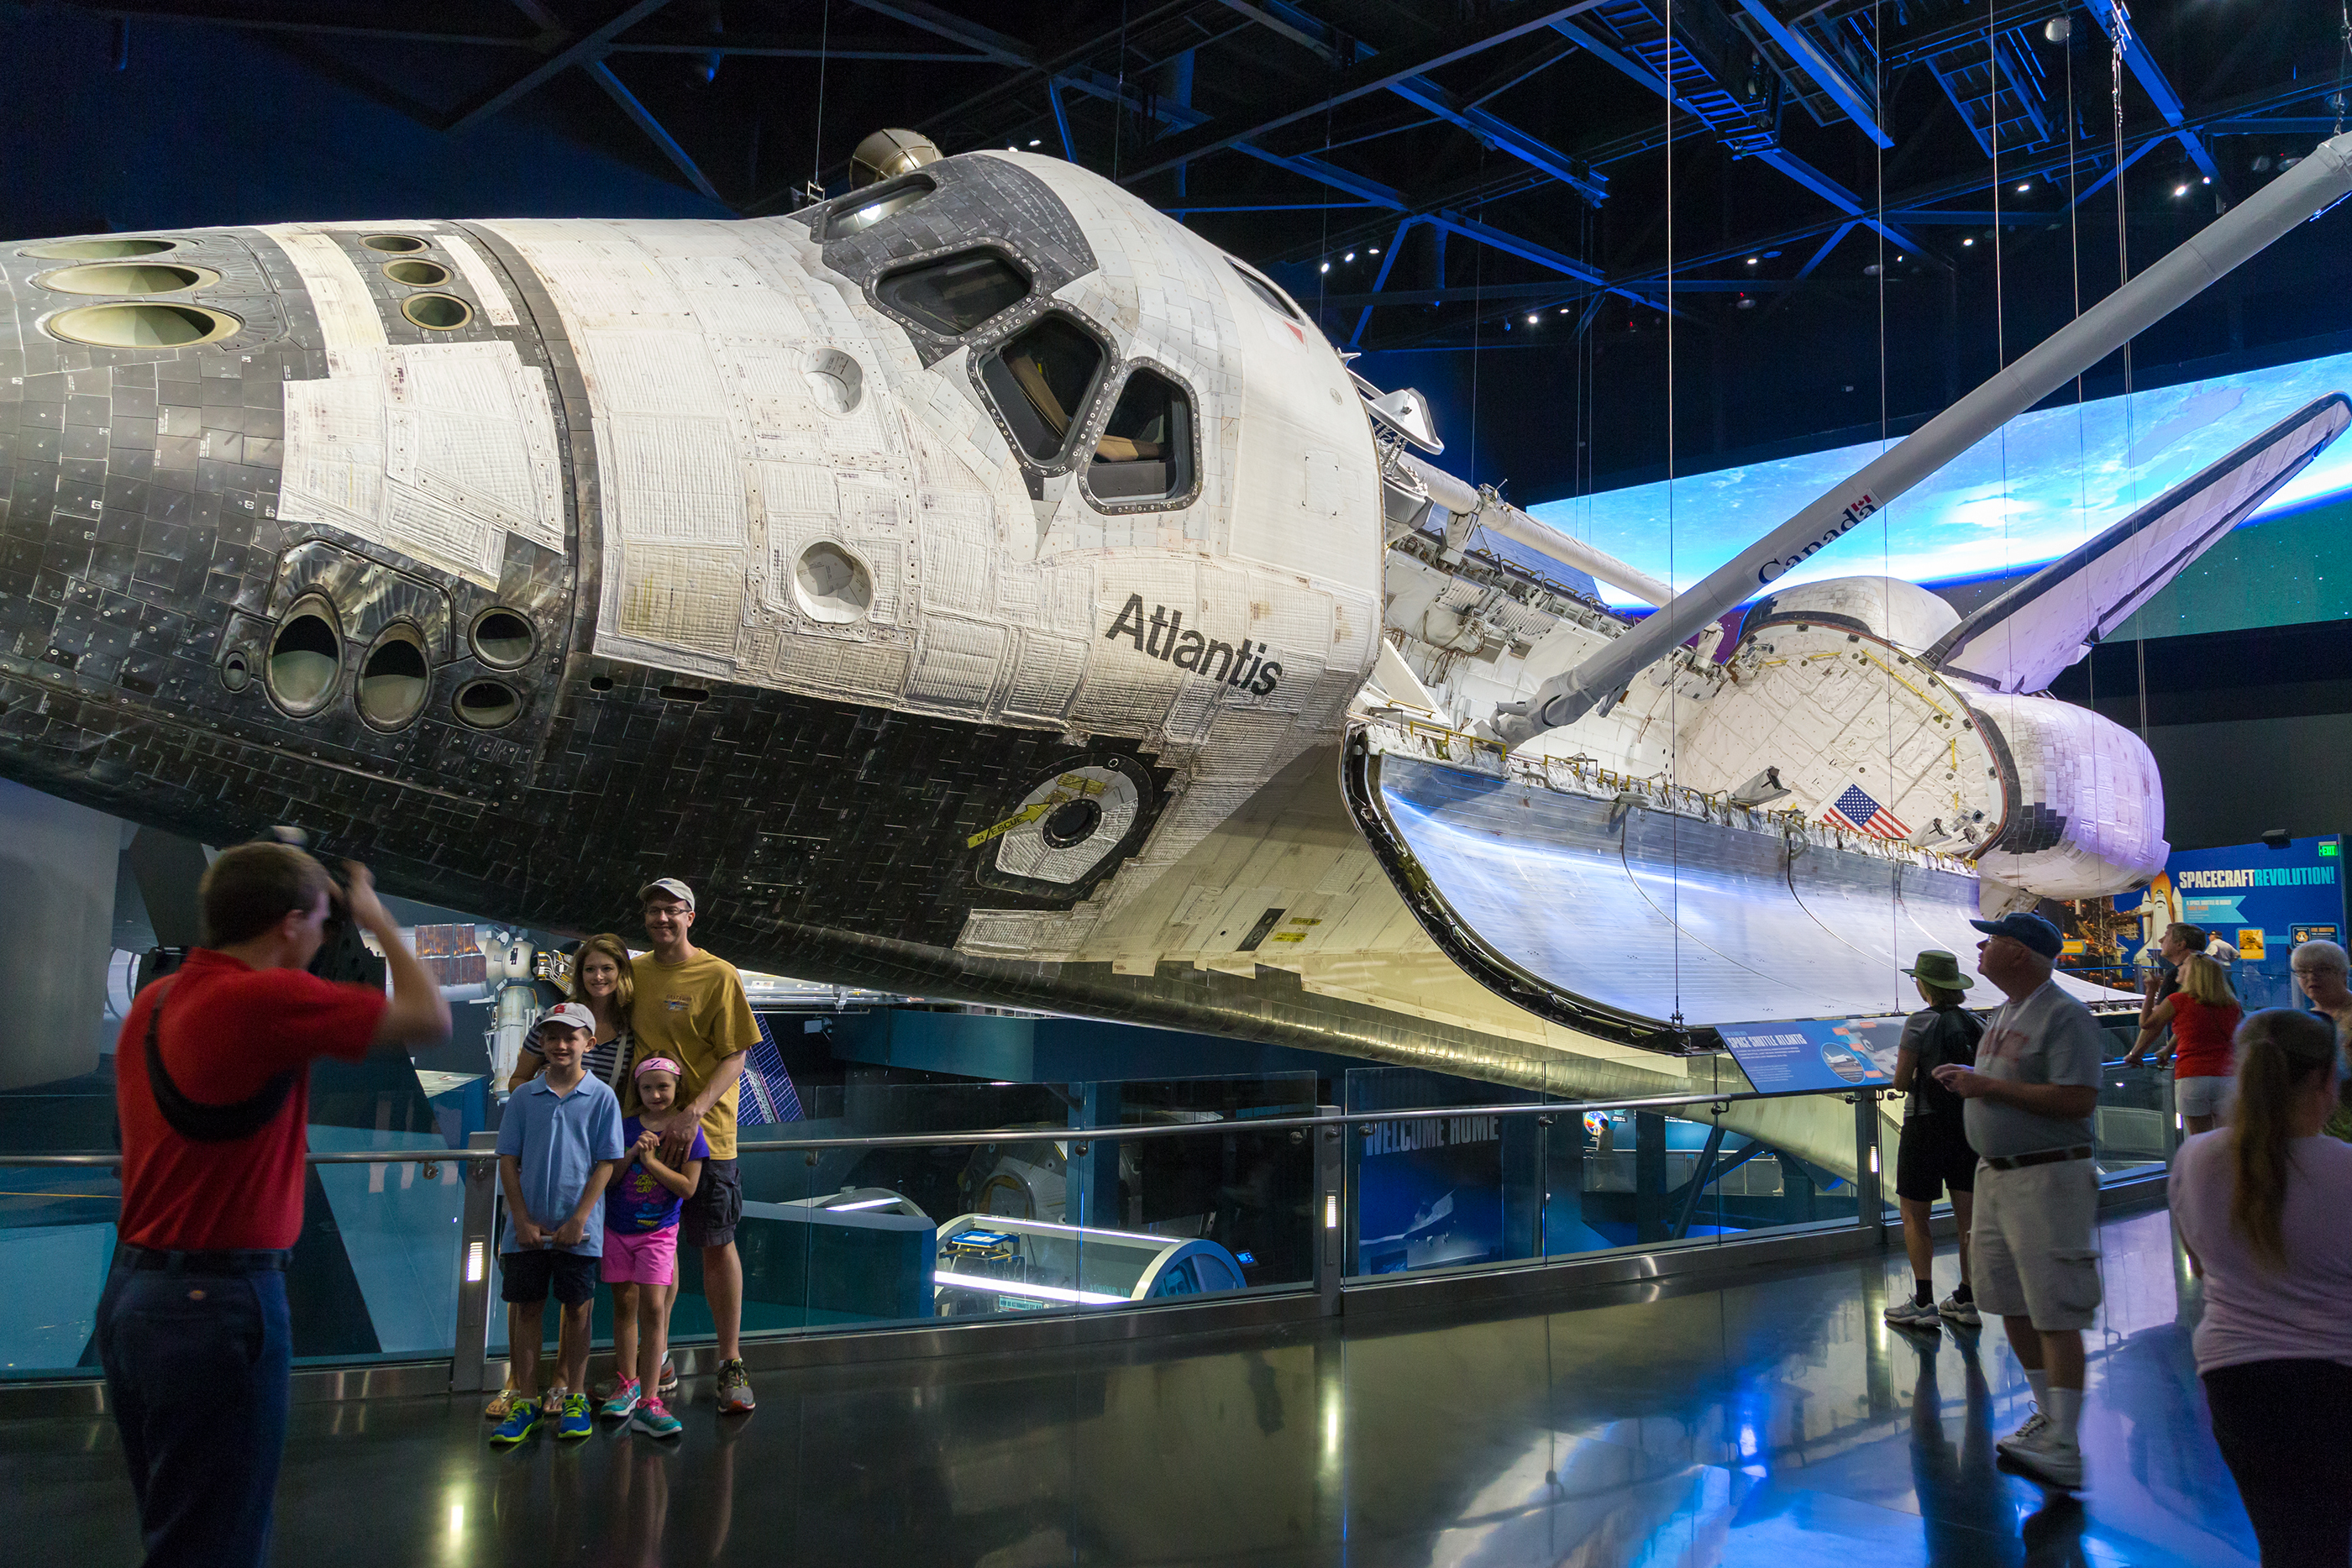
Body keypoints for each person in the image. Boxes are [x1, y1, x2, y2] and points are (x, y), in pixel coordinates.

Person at [99, 845, 449, 1567]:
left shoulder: (153, 1003)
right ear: (290, 923)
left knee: (180, 1530)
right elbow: (428, 1015)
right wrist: (376, 913)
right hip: (220, 1307)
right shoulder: (262, 1000)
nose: (327, 938)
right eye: (325, 922)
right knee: (220, 1544)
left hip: (135, 1297)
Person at [2168, 1008, 2352, 1566]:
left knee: (2290, 1543)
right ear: (2326, 1079)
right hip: (2338, 1375)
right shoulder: (2345, 1168)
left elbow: (2199, 1264)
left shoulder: (2196, 1158)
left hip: (2236, 1377)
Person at [1932, 910, 2107, 1492]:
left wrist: (1985, 1086)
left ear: (2020, 953)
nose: (1980, 948)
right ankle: (2047, 1416)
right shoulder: (2004, 1013)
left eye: (1993, 940)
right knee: (2007, 1297)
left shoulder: (2066, 1015)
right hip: (1997, 1178)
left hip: (2048, 1179)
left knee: (2055, 1305)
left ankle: (2068, 1442)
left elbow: (2078, 1098)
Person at [628, 878, 762, 1414]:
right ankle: (657, 1360)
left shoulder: (718, 975)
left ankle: (730, 1362)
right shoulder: (634, 974)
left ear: (690, 917)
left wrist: (694, 1112)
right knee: (659, 1248)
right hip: (649, 1139)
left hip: (709, 1139)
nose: (661, 919)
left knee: (714, 1242)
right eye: (653, 911)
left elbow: (736, 1055)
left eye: (671, 911)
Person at [490, 1001, 626, 1447]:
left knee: (579, 1309)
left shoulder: (602, 1097)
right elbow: (508, 1161)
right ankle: (526, 1399)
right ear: (541, 1043)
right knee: (528, 1308)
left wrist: (580, 1218)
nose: (561, 1045)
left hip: (578, 1231)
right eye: (552, 1036)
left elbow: (607, 1161)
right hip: (526, 1231)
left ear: (589, 1042)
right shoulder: (525, 1097)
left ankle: (572, 1396)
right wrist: (521, 1219)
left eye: (571, 1036)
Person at [598, 1056, 708, 1438]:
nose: (656, 1094)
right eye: (647, 1087)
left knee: (654, 1310)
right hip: (618, 1229)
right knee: (624, 1307)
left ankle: (649, 1400)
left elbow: (688, 1188)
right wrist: (631, 1154)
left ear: (677, 1088)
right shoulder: (624, 1127)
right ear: (637, 1090)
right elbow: (608, 1181)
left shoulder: (689, 1132)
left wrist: (650, 1161)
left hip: (658, 1235)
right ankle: (625, 1386)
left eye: (663, 1086)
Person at [1884, 950, 1986, 1332]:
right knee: (1969, 1222)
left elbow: (1900, 1080)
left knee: (1914, 1215)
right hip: (1968, 1128)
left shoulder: (1919, 1022)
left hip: (1924, 1127)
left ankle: (1924, 1301)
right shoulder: (1978, 1023)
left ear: (1924, 984)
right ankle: (1967, 1299)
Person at [2127, 952, 2242, 1135]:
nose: (2179, 968)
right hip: (2227, 1077)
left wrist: (2151, 991)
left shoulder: (2177, 1001)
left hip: (2191, 1076)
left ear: (2192, 972)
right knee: (2228, 1139)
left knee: (2199, 1140)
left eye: (2184, 965)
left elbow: (2146, 1023)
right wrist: (2169, 1049)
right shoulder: (2232, 1005)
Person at [2288, 940, 2352, 1141]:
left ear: (2343, 974)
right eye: (2302, 971)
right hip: (2320, 1133)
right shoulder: (2305, 1022)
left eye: (2322, 969)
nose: (2311, 977)